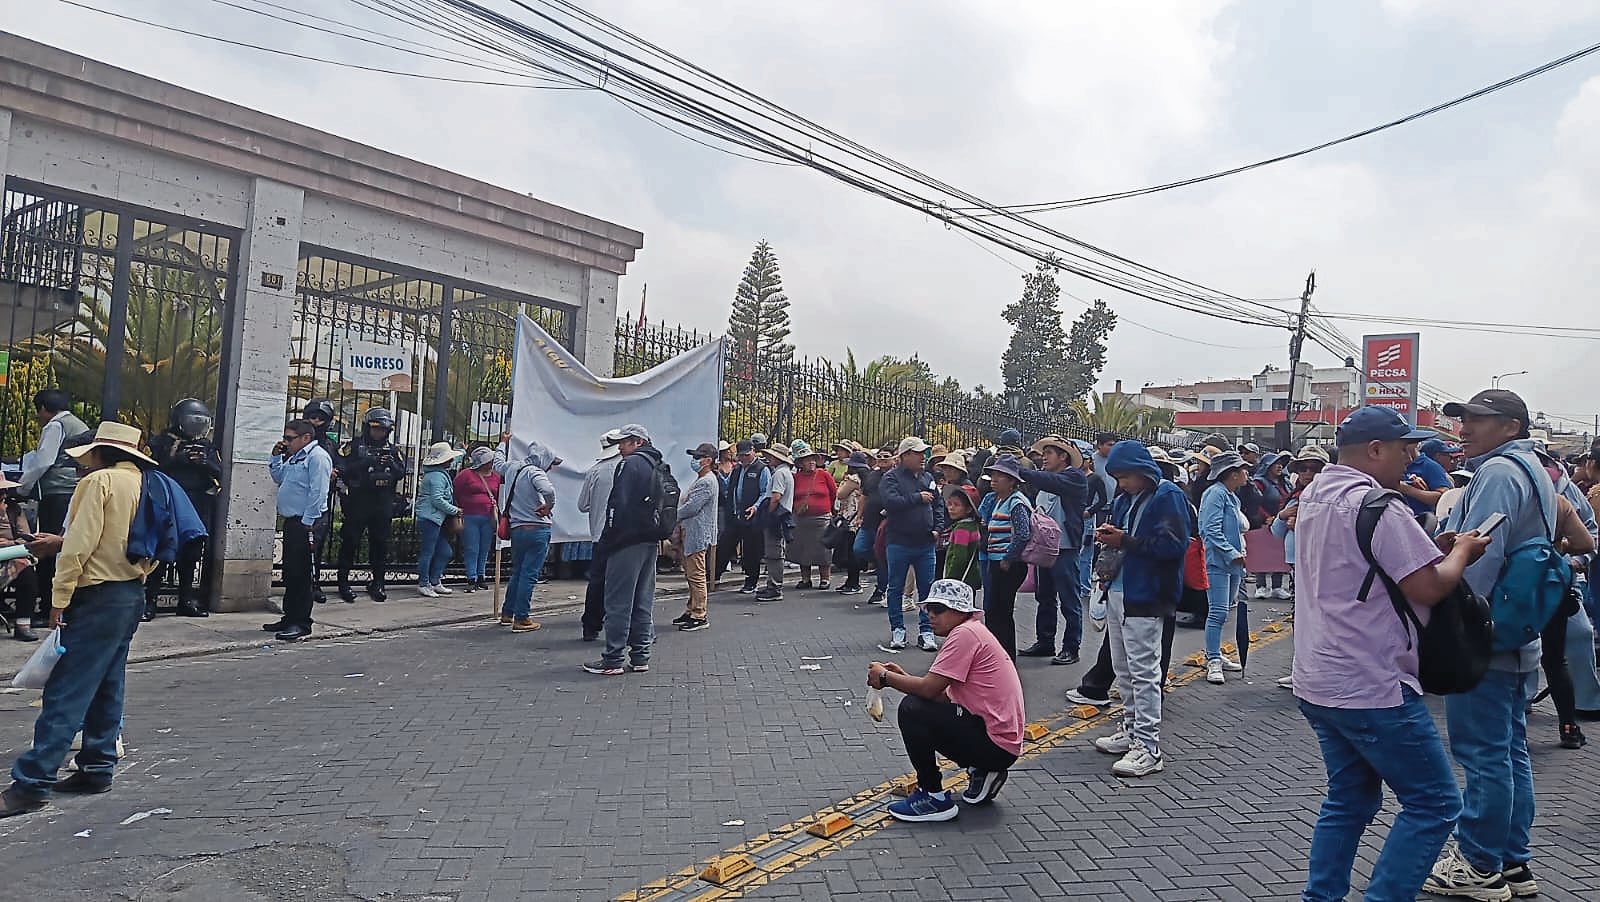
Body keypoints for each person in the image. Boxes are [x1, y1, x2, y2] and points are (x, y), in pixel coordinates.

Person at [1294, 406, 1489, 902]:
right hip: (1371, 683)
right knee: (1435, 803)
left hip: (1318, 677)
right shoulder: (1380, 505)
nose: (1414, 456)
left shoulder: (1317, 494)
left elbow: (1366, 564)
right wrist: (1462, 552)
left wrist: (1430, 546)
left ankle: (1322, 897)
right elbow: (1427, 588)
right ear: (1375, 450)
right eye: (1406, 447)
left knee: (1349, 799)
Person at [1426, 389, 1556, 901]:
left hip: (1488, 635)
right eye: (1463, 420)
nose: (1464, 429)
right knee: (1507, 752)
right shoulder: (1536, 471)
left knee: (1483, 755)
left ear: (1510, 426)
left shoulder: (1499, 473)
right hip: (1519, 633)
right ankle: (1512, 862)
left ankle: (1479, 864)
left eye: (1478, 421)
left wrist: (1460, 627)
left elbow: (1480, 555)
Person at [0, 422, 164, 818]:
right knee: (108, 683)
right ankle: (97, 766)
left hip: (96, 594)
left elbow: (77, 546)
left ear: (100, 453)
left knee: (66, 691)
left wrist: (59, 596)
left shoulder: (99, 483)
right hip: (129, 592)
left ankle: (31, 783)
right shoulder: (148, 483)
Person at [870, 579, 1024, 822]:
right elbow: (942, 696)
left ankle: (933, 796)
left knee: (911, 710)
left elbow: (929, 691)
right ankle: (983, 770)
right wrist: (903, 678)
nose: (931, 615)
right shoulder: (972, 631)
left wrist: (884, 677)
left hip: (996, 744)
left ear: (960, 610)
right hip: (1000, 741)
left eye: (938, 609)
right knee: (920, 706)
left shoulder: (965, 635)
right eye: (928, 608)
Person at [1083, 441, 1189, 778]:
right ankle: (1132, 730)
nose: (1121, 483)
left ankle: (1149, 745)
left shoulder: (1166, 496)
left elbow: (1173, 546)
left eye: (1126, 476)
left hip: (1146, 594)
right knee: (1124, 668)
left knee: (1144, 672)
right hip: (1120, 592)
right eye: (1118, 477)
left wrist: (1124, 541)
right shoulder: (1128, 498)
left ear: (1143, 472)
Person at [584, 424, 665, 675]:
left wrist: (609, 538)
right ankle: (640, 656)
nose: (620, 447)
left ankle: (613, 658)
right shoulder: (657, 464)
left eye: (625, 442)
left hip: (625, 540)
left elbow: (617, 505)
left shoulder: (630, 465)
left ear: (638, 442)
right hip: (649, 539)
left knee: (618, 601)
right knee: (642, 600)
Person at [15, 389, 90, 630]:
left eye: (39, 411)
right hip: (75, 490)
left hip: (57, 492)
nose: (39, 416)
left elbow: (44, 461)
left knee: (49, 548)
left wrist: (22, 489)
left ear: (44, 408)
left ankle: (48, 607)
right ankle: (66, 604)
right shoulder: (78, 423)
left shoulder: (55, 426)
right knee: (67, 544)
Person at [145, 398, 222, 619]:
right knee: (160, 552)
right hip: (166, 501)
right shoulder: (161, 440)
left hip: (196, 504)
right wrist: (179, 458)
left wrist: (204, 462)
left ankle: (186, 600)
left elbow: (219, 471)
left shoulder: (206, 445)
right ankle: (150, 601)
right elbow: (149, 465)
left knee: (191, 553)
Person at [1018, 435, 1089, 665]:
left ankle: (1071, 647)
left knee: (1069, 599)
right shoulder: (1046, 480)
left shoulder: (1074, 477)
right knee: (1045, 596)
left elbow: (1049, 482)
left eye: (1049, 453)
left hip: (1065, 548)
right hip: (1044, 548)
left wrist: (1021, 471)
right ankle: (1045, 641)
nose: (1044, 457)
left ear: (1063, 456)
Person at [266, 419, 333, 641]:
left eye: (289, 438)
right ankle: (289, 616)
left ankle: (302, 622)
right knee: (291, 573)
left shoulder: (318, 457)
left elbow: (319, 492)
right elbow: (278, 477)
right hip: (294, 521)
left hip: (307, 522)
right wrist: (276, 456)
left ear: (306, 438)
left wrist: (309, 520)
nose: (286, 442)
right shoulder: (296, 457)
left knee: (302, 573)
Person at [879, 437, 946, 651]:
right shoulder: (891, 478)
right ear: (905, 455)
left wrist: (938, 527)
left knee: (927, 589)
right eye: (918, 453)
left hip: (925, 543)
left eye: (924, 453)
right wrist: (917, 498)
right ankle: (897, 629)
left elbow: (938, 504)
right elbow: (891, 502)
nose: (922, 457)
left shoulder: (928, 477)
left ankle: (926, 631)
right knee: (896, 587)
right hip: (899, 541)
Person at [1271, 445, 1329, 690]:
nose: (1308, 473)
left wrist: (1302, 521)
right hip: (1297, 564)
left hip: (1320, 564)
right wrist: (1283, 516)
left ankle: (1317, 670)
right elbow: (1276, 533)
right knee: (1300, 618)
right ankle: (1301, 668)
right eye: (1303, 468)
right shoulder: (1295, 497)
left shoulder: (1328, 497)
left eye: (1314, 468)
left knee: (1319, 619)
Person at [334, 408, 406, 603]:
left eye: (383, 430)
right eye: (376, 429)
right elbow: (342, 469)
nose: (379, 433)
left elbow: (401, 473)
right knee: (350, 541)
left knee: (380, 543)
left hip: (382, 502)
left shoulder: (392, 450)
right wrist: (366, 462)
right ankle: (343, 582)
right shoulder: (354, 446)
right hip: (359, 501)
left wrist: (391, 463)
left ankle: (378, 583)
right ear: (368, 428)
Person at [1199, 451, 1250, 685]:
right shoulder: (1215, 495)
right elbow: (1211, 530)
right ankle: (1212, 659)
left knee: (1224, 611)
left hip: (1234, 564)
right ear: (1232, 474)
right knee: (1217, 611)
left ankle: (1216, 653)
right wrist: (1232, 554)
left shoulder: (1231, 496)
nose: (1246, 473)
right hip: (1218, 562)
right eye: (1242, 470)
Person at [976, 455, 1033, 660]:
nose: (993, 479)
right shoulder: (997, 500)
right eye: (993, 475)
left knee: (1000, 611)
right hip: (996, 560)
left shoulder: (1016, 502)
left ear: (1011, 480)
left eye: (1000, 476)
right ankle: (997, 654)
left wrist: (1008, 558)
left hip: (1008, 564)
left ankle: (1005, 656)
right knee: (993, 610)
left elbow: (1023, 534)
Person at [497, 444, 558, 632]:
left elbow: (497, 463)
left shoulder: (512, 468)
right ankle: (521, 618)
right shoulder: (535, 472)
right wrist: (549, 506)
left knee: (518, 572)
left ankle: (508, 613)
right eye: (551, 463)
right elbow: (548, 490)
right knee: (529, 574)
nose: (551, 467)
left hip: (517, 529)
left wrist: (502, 443)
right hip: (537, 529)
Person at [577, 429, 625, 640]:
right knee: (622, 582)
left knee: (596, 582)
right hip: (621, 535)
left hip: (598, 534)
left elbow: (583, 505)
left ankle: (590, 625)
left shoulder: (595, 470)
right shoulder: (625, 468)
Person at [673, 442, 719, 632]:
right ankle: (691, 608)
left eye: (698, 457)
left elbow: (692, 507)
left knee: (696, 574)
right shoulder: (702, 479)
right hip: (692, 532)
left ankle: (699, 613)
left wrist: (672, 516)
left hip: (698, 533)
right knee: (691, 573)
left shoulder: (707, 481)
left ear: (708, 461)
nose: (694, 460)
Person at [301, 398, 339, 604]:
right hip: (300, 501)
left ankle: (315, 583)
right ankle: (301, 584)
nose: (316, 422)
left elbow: (343, 464)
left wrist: (335, 472)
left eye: (320, 418)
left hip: (322, 502)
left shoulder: (330, 444)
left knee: (317, 545)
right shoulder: (298, 440)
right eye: (312, 417)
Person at [1240, 451, 1292, 600]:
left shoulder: (1285, 482)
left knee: (1279, 555)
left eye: (1281, 463)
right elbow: (1255, 502)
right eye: (1276, 463)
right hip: (1263, 523)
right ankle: (1261, 585)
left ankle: (1277, 586)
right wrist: (1267, 517)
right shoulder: (1259, 483)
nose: (1280, 466)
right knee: (1261, 555)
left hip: (1281, 523)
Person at [414, 442, 463, 598]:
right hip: (431, 518)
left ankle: (434, 581)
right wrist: (455, 510)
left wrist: (462, 449)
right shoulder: (437, 476)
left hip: (434, 518)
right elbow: (437, 500)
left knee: (444, 551)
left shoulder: (437, 473)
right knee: (428, 552)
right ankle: (424, 583)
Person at [788, 441, 838, 590]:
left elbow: (833, 493)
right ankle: (805, 578)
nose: (811, 462)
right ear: (800, 462)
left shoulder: (824, 475)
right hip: (802, 519)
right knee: (803, 548)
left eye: (812, 459)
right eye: (807, 459)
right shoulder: (795, 478)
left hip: (821, 518)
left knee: (823, 549)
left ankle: (825, 579)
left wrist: (828, 508)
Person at [454, 447, 502, 592]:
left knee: (484, 548)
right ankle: (471, 577)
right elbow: (456, 490)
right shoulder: (466, 475)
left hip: (488, 516)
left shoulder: (496, 476)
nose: (491, 463)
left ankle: (481, 575)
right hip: (470, 515)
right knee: (472, 547)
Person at [0, 486, 42, 641]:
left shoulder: (13, 509)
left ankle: (23, 624)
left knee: (27, 573)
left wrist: (11, 543)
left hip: (11, 555)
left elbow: (27, 536)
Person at [755, 445, 796, 601]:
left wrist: (769, 513)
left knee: (774, 552)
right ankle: (773, 584)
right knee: (775, 551)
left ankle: (774, 586)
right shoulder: (786, 472)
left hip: (777, 515)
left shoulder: (779, 473)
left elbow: (776, 496)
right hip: (783, 515)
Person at [728, 440, 769, 595]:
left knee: (752, 549)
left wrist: (756, 506)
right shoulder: (737, 469)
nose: (744, 458)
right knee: (727, 542)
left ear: (753, 451)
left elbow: (765, 492)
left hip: (753, 515)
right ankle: (715, 574)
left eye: (746, 455)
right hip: (736, 513)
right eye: (741, 456)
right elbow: (731, 487)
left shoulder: (761, 469)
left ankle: (751, 580)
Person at [855, 449, 895, 606]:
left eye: (886, 456)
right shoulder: (872, 475)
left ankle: (881, 589)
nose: (882, 459)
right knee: (859, 548)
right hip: (868, 522)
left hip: (885, 524)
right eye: (880, 456)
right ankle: (876, 564)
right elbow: (864, 495)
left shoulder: (896, 476)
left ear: (894, 459)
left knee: (882, 559)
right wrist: (859, 515)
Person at [834, 451, 872, 595]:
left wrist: (843, 482)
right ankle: (851, 581)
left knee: (850, 551)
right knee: (852, 551)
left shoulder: (854, 479)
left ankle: (853, 582)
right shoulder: (868, 478)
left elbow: (840, 493)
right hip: (858, 517)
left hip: (851, 517)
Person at [1398, 437, 1455, 518]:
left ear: (1415, 443)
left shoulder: (1430, 466)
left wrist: (1406, 489)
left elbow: (1443, 498)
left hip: (1420, 522)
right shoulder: (1393, 462)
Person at [942, 484, 984, 594]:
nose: (951, 508)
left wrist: (950, 579)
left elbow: (959, 557)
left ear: (969, 509)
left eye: (956, 505)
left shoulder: (961, 529)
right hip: (971, 577)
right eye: (949, 504)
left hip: (960, 580)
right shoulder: (972, 525)